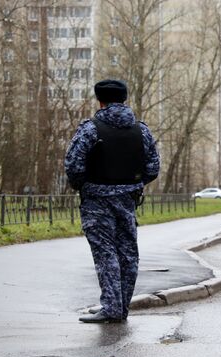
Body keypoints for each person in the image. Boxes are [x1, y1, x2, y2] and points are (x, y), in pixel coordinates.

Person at [65, 79, 160, 323]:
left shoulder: (90, 129)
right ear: (124, 99)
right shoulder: (141, 130)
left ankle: (111, 307)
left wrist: (86, 185)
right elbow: (153, 168)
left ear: (100, 101)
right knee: (128, 254)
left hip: (97, 200)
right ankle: (120, 307)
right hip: (128, 200)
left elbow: (73, 166)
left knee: (105, 253)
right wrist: (132, 184)